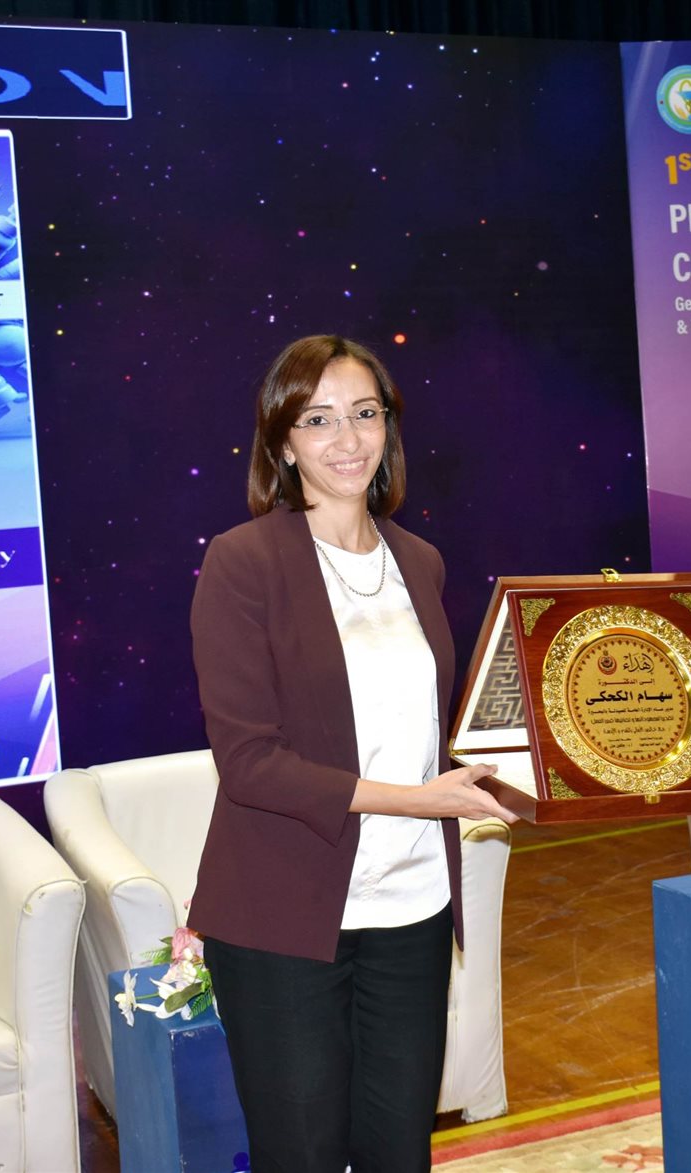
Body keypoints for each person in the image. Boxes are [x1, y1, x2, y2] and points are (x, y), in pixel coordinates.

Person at [188, 335, 516, 1173]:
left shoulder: (420, 562)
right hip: (284, 916)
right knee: (301, 1153)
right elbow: (249, 761)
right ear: (282, 442)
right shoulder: (242, 562)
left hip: (413, 909)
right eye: (318, 418)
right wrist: (420, 800)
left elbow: (427, 729)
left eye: (365, 413)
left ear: (388, 428)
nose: (347, 438)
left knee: (399, 1151)